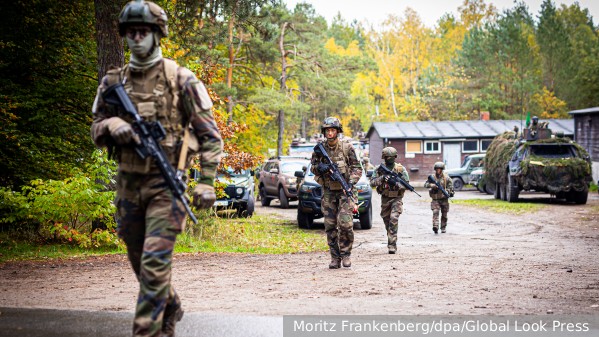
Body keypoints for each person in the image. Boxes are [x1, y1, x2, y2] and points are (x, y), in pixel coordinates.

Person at [90, 1, 223, 336]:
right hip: (128, 186)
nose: (136, 38)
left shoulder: (181, 79)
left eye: (143, 31)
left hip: (166, 188)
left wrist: (205, 183)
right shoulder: (111, 83)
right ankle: (172, 304)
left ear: (156, 34)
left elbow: (211, 138)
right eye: (131, 32)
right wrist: (111, 126)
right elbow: (95, 130)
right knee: (140, 263)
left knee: (153, 266)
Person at [310, 117, 362, 269]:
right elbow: (313, 167)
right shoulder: (320, 149)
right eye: (328, 131)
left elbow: (357, 168)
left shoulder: (347, 147)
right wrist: (320, 168)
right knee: (330, 225)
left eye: (333, 130)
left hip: (345, 192)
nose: (330, 133)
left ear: (338, 132)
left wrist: (350, 183)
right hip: (329, 192)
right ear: (324, 132)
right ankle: (335, 257)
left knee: (345, 224)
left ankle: (346, 254)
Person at [369, 147, 409, 254]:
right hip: (385, 199)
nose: (389, 159)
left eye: (391, 157)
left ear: (395, 157)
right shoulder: (379, 169)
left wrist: (395, 183)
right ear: (384, 157)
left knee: (393, 219)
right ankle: (391, 237)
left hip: (397, 198)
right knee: (387, 221)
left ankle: (392, 245)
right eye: (387, 157)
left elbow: (407, 185)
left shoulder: (400, 169)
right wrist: (382, 178)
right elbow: (372, 183)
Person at [424, 162, 454, 234]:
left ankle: (443, 227)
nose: (438, 170)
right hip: (435, 199)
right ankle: (435, 226)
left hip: (444, 199)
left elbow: (451, 187)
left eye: (440, 169)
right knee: (435, 212)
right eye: (437, 169)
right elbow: (425, 184)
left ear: (442, 169)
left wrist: (448, 191)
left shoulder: (447, 178)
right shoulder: (432, 177)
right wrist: (432, 185)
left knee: (444, 214)